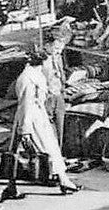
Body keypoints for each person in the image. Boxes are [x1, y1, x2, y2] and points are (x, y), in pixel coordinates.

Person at [9, 54, 79, 195]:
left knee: (15, 153)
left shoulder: (31, 75)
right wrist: (25, 128)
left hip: (31, 117)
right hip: (31, 119)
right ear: (40, 64)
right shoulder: (30, 80)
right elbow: (26, 104)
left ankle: (11, 186)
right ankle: (64, 181)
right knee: (48, 150)